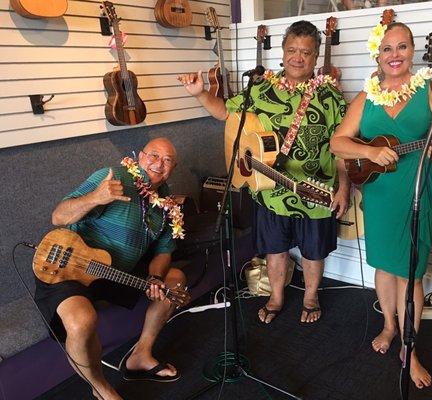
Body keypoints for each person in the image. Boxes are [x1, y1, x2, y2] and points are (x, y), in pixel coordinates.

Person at [177, 20, 350, 325]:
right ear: (283, 53)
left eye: (306, 53)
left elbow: (343, 147)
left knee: (313, 252)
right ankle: (277, 296)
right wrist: (199, 93)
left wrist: (344, 186)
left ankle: (310, 297)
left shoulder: (331, 97)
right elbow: (225, 112)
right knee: (275, 249)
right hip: (270, 190)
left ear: (315, 56)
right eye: (292, 50)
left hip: (317, 190)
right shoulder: (260, 88)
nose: (298, 57)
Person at [331, 22, 432, 389]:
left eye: (402, 47)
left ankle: (410, 348)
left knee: (411, 272)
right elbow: (337, 143)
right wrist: (370, 151)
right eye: (387, 49)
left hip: (419, 190)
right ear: (378, 54)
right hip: (380, 193)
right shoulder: (366, 96)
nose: (394, 55)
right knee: (385, 266)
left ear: (412, 51)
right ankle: (389, 326)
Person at [35, 137, 191, 400]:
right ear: (140, 157)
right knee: (81, 321)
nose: (158, 164)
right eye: (153, 155)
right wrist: (97, 197)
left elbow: (164, 252)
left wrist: (155, 277)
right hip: (70, 266)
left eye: (167, 160)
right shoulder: (112, 178)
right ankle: (101, 388)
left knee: (173, 280)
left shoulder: (167, 205)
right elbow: (58, 217)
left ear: (173, 168)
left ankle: (140, 355)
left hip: (115, 272)